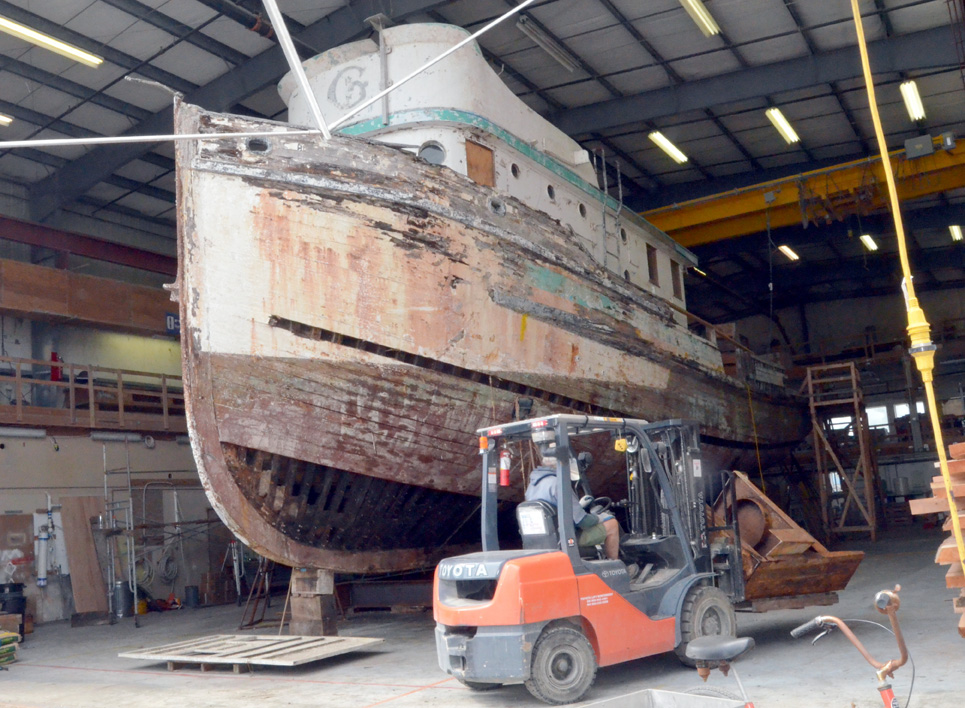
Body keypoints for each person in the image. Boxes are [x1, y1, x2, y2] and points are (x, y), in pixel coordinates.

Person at [525, 429, 620, 560]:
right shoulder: (558, 484)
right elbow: (583, 522)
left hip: (545, 540)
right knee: (612, 524)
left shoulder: (532, 486)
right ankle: (615, 565)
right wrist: (600, 517)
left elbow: (553, 511)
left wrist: (578, 506)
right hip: (565, 538)